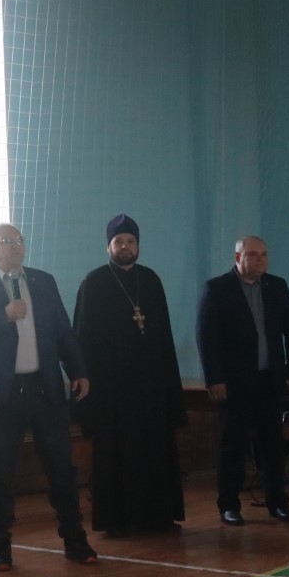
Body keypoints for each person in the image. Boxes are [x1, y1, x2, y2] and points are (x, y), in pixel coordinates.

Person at [0, 223, 97, 571]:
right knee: (0, 472)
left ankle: (75, 540)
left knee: (61, 468)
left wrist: (78, 370)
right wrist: (2, 316)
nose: (15, 245)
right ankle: (0, 545)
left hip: (44, 388)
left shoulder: (43, 281)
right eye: (6, 241)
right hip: (3, 393)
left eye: (18, 240)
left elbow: (63, 331)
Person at [73, 214, 186, 537]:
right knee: (116, 454)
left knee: (155, 452)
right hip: (113, 391)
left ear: (138, 245)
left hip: (151, 388)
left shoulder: (150, 280)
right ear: (108, 246)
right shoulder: (94, 282)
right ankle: (117, 521)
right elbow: (82, 337)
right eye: (119, 241)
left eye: (131, 241)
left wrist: (169, 387)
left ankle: (159, 516)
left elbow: (164, 337)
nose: (125, 246)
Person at [196, 235, 289, 526]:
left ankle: (277, 502)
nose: (260, 259)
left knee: (273, 445)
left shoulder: (277, 286)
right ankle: (229, 506)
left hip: (270, 380)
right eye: (253, 254)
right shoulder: (217, 289)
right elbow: (207, 339)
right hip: (234, 383)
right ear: (238, 258)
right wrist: (214, 378)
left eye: (264, 254)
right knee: (232, 446)